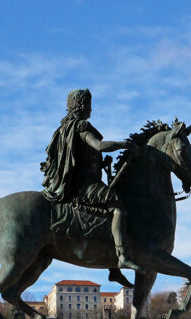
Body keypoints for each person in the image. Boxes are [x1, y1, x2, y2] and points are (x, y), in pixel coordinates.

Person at [41, 89, 142, 271]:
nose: (91, 109)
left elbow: (78, 158)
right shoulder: (80, 126)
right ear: (81, 106)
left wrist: (101, 163)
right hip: (86, 186)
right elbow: (98, 145)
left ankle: (113, 269)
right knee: (118, 206)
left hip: (74, 183)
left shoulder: (62, 130)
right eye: (89, 105)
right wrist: (124, 144)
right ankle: (122, 257)